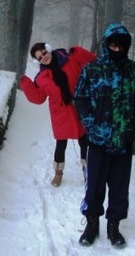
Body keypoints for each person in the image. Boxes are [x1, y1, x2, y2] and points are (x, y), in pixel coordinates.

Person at [73, 23, 135, 248]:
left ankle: (114, 226)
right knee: (94, 185)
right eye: (113, 44)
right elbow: (80, 98)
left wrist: (132, 127)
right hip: (97, 140)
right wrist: (90, 124)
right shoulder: (91, 69)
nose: (117, 49)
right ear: (106, 44)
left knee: (119, 186)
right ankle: (91, 224)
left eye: (122, 45)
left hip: (123, 142)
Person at [20, 43, 96, 187]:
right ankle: (58, 173)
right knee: (61, 144)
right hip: (60, 114)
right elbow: (38, 98)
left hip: (80, 108)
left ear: (48, 49)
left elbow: (91, 62)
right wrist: (26, 83)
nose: (44, 57)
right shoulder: (41, 78)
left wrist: (78, 52)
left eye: (44, 52)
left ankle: (88, 170)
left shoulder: (70, 60)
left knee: (84, 141)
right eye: (40, 57)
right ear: (38, 61)